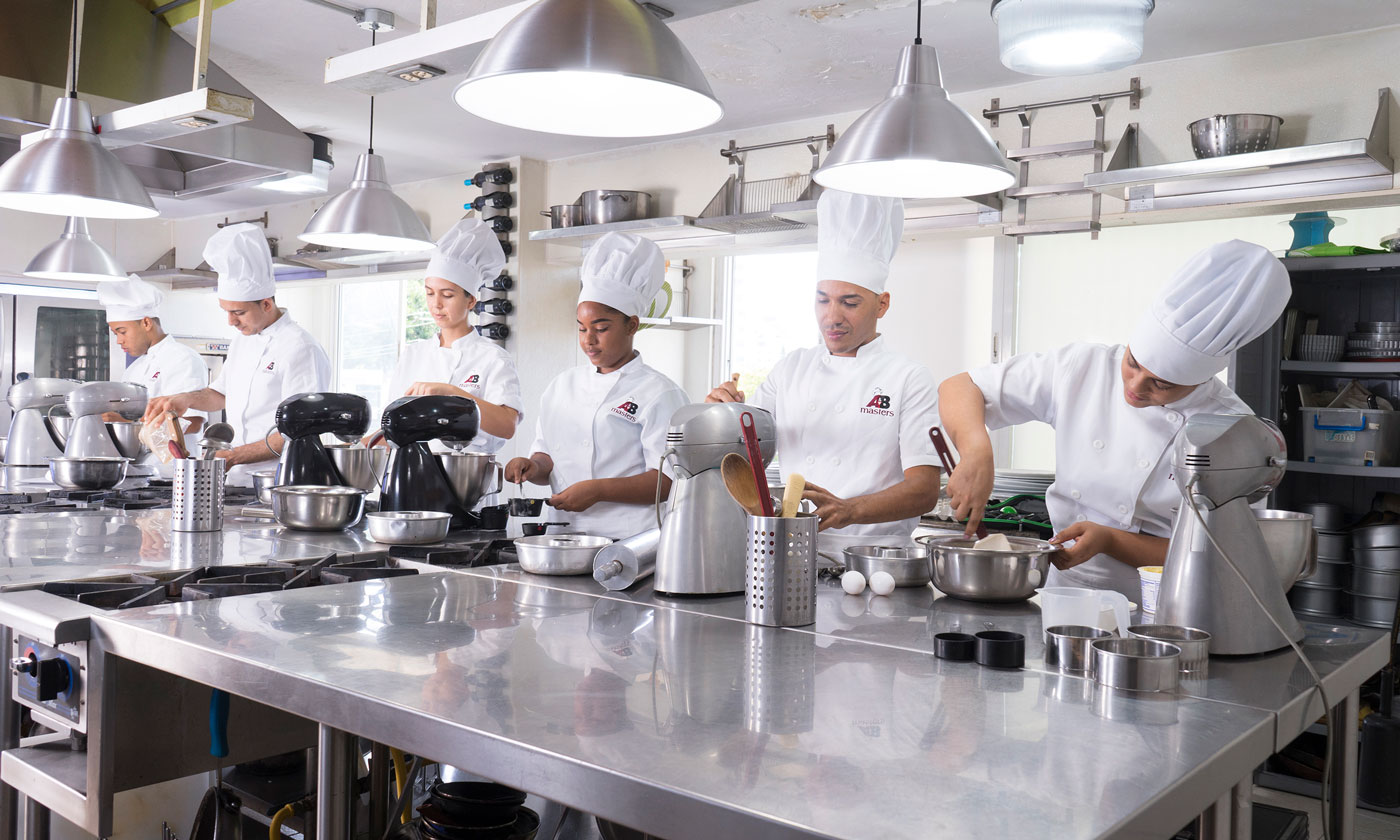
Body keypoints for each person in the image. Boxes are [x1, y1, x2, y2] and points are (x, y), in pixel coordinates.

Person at [937, 240, 1291, 600]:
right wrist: (977, 451)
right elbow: (960, 387)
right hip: (1063, 592)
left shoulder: (1235, 432)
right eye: (1133, 363)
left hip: (1166, 604)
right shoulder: (1084, 368)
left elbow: (1224, 555)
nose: (1134, 387)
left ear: (1202, 378)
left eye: (1161, 384)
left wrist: (1111, 540)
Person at [705, 189, 941, 553]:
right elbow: (745, 455)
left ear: (882, 304)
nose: (832, 317)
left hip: (874, 557)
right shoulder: (791, 369)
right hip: (792, 550)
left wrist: (850, 510)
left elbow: (924, 491)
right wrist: (722, 416)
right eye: (822, 300)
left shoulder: (908, 377)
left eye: (849, 303)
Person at [504, 233, 687, 540]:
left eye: (601, 328)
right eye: (581, 328)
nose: (588, 340)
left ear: (632, 325)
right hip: (563, 538)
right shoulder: (562, 386)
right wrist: (531, 466)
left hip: (632, 543)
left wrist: (598, 490)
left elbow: (667, 482)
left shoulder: (661, 394)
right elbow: (547, 458)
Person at [143, 223, 331, 485]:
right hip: (236, 480)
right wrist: (184, 399)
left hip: (280, 482)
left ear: (266, 304)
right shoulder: (243, 341)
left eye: (239, 313)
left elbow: (299, 431)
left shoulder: (301, 348)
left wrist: (233, 456)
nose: (231, 321)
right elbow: (220, 395)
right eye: (227, 312)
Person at [381, 218, 523, 455]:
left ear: (471, 300)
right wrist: (355, 446)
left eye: (447, 295)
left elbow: (507, 426)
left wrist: (450, 392)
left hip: (468, 473)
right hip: (411, 470)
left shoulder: (492, 358)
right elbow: (391, 430)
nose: (436, 304)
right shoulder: (413, 354)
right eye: (429, 293)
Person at [97, 274, 209, 447]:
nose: (119, 340)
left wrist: (128, 425)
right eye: (115, 334)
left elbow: (193, 423)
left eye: (122, 332)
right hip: (137, 461)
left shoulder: (183, 358)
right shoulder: (134, 369)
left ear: (146, 323)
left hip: (171, 463)